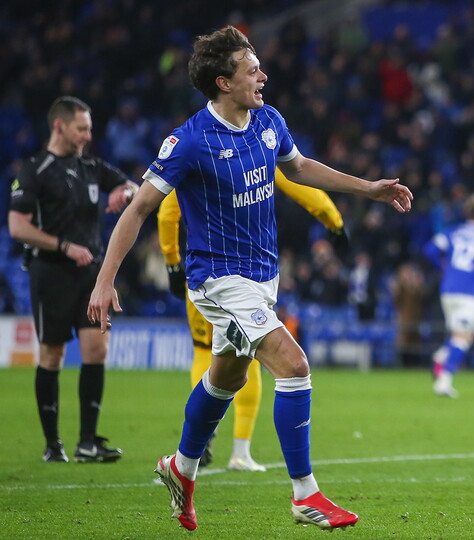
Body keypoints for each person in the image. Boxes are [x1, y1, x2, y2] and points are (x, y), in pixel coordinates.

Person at [86, 26, 412, 531]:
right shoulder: (190, 140)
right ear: (223, 82)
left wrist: (367, 188)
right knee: (293, 363)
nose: (263, 75)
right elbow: (139, 209)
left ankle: (181, 466)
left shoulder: (268, 120)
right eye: (251, 68)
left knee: (228, 376)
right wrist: (106, 279)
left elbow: (299, 167)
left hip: (263, 275)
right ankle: (306, 494)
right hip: (218, 277)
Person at [157, 167, 350, 472]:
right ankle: (241, 452)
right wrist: (335, 223)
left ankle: (201, 440)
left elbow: (168, 213)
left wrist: (171, 262)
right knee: (253, 357)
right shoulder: (258, 147)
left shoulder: (195, 146)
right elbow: (301, 183)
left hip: (203, 278)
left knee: (204, 352)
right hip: (247, 278)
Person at [8, 96, 137, 463]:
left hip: (91, 274)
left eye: (90, 128)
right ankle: (53, 445)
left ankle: (87, 442)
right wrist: (64, 246)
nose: (87, 135)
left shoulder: (91, 165)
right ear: (59, 126)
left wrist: (123, 192)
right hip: (50, 273)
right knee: (53, 353)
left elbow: (133, 187)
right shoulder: (34, 170)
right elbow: (18, 227)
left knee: (97, 349)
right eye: (81, 128)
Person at [424, 193, 474, 398]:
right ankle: (444, 381)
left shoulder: (453, 231)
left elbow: (431, 249)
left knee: (458, 334)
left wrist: (444, 266)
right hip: (470, 291)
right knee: (463, 337)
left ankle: (441, 357)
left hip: (448, 288)